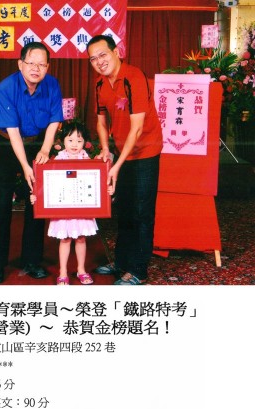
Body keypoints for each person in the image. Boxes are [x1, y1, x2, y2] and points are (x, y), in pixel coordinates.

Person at [87, 35, 163, 285]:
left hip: (144, 152)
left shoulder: (134, 77)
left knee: (141, 211)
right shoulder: (100, 85)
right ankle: (121, 262)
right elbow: (101, 122)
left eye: (103, 55)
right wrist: (106, 150)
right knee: (125, 209)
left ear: (116, 52)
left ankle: (138, 270)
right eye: (93, 59)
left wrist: (117, 166)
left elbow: (137, 128)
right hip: (122, 151)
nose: (99, 62)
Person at [0, 41, 63, 283]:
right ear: (20, 64)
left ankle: (32, 261)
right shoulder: (5, 88)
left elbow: (55, 121)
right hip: (6, 145)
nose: (36, 69)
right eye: (31, 63)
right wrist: (25, 166)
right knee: (2, 204)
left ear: (47, 67)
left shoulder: (52, 85)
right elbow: (12, 133)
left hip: (36, 143)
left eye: (42, 64)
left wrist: (45, 150)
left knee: (36, 202)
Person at [31, 121, 114, 285]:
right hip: (63, 209)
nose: (75, 144)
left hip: (82, 208)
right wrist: (36, 197)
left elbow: (96, 183)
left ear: (85, 142)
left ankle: (81, 270)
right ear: (63, 141)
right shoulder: (57, 160)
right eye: (70, 140)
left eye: (79, 140)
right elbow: (46, 184)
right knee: (65, 239)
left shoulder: (88, 160)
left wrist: (107, 190)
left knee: (81, 238)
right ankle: (63, 273)